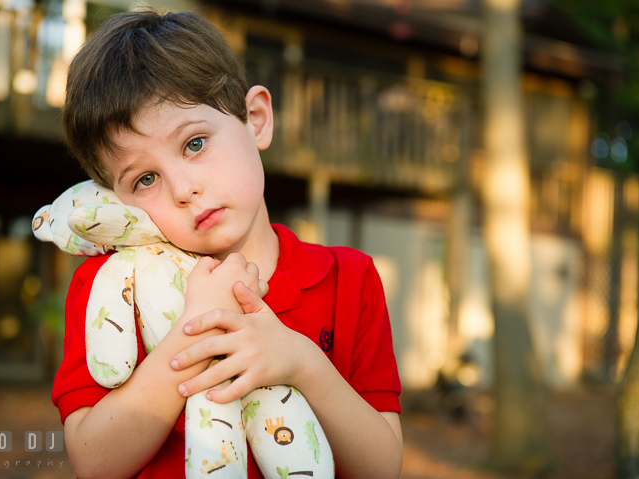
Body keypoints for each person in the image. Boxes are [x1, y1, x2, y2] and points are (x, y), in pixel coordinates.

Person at [52, 9, 403, 479]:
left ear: (255, 119)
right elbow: (95, 461)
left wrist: (302, 363)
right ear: (120, 199)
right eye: (146, 179)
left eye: (194, 143)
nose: (182, 189)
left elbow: (383, 466)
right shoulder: (111, 290)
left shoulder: (349, 279)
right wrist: (194, 330)